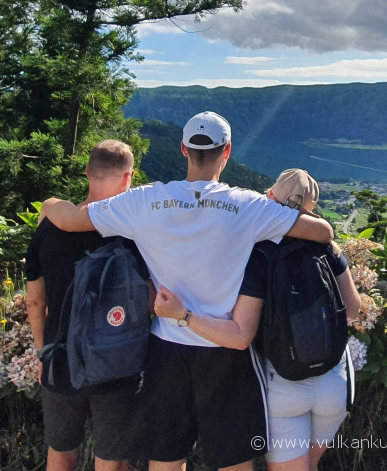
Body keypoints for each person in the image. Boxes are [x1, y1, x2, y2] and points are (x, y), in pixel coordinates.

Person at [40, 111, 334, 471]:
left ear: (183, 149)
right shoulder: (250, 206)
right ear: (226, 152)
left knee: (164, 460)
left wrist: (49, 204)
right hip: (225, 352)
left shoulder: (144, 201)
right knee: (232, 462)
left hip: (164, 350)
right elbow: (323, 234)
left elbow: (70, 220)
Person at [154, 168, 361, 471]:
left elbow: (241, 333)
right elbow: (353, 311)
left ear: (271, 197)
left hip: (283, 382)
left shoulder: (259, 252)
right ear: (312, 208)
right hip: (333, 380)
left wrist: (183, 314)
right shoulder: (327, 247)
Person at [25, 139, 152, 471]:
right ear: (130, 177)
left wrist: (43, 353)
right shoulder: (136, 232)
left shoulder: (49, 226)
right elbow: (151, 298)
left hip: (60, 357)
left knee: (60, 452)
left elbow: (35, 301)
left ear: (87, 172)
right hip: (119, 362)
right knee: (111, 458)